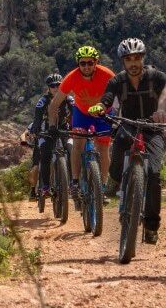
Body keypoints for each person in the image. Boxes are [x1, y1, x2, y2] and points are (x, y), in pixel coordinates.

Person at [88, 38, 166, 244]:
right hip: (127, 124)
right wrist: (101, 107)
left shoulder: (156, 77)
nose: (133, 63)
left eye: (137, 58)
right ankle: (114, 179)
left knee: (154, 175)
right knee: (121, 139)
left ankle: (151, 227)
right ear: (123, 61)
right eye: (129, 59)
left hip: (154, 129)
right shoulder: (117, 81)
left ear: (143, 58)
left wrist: (162, 109)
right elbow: (107, 97)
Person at [48, 46, 115, 204]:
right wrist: (52, 125)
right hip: (81, 114)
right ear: (78, 64)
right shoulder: (71, 77)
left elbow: (122, 94)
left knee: (104, 148)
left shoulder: (107, 75)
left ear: (96, 62)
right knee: (78, 144)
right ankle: (75, 183)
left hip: (103, 114)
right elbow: (54, 104)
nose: (86, 66)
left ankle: (103, 188)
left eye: (90, 63)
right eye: (82, 63)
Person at [26, 73, 74, 200]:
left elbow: (75, 112)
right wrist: (36, 128)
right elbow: (37, 117)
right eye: (53, 86)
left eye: (59, 85)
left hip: (64, 130)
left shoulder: (68, 99)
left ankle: (73, 183)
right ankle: (46, 187)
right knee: (45, 155)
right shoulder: (43, 100)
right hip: (48, 132)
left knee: (71, 151)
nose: (56, 88)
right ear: (48, 88)